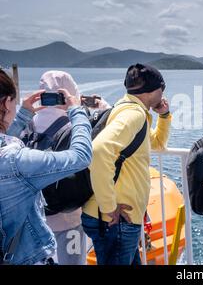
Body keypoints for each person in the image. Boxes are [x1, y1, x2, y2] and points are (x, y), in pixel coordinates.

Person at [81, 63, 172, 265]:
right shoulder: (134, 115)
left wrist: (164, 116)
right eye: (162, 88)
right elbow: (98, 150)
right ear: (151, 91)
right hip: (115, 221)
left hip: (117, 220)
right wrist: (109, 206)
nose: (163, 93)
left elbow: (155, 143)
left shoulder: (129, 110)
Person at [0, 68, 92, 265]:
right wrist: (77, 111)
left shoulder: (28, 127)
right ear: (6, 102)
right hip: (35, 245)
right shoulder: (16, 159)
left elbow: (7, 140)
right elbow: (81, 156)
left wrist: (24, 115)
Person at [23, 70, 107, 265]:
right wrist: (97, 105)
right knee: (74, 260)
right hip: (69, 215)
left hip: (37, 213)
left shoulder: (29, 123)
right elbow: (104, 125)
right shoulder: (76, 123)